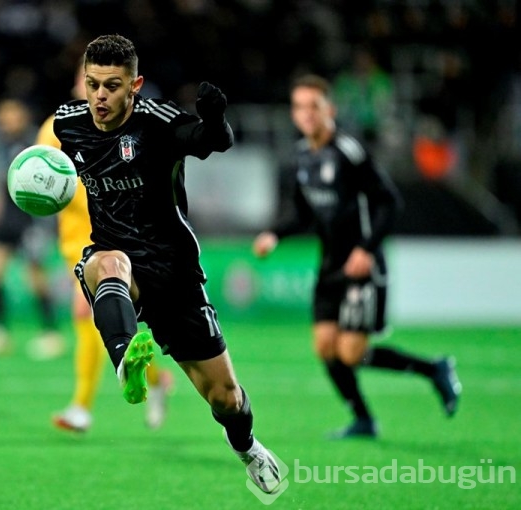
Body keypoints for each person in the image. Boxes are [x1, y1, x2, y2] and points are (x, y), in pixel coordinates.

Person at [52, 34, 280, 494]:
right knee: (105, 264)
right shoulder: (67, 124)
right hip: (119, 259)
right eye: (93, 84)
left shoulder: (156, 122)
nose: (100, 96)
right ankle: (125, 361)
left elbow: (210, 140)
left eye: (112, 86)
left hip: (174, 273)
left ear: (135, 85)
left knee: (226, 398)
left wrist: (214, 117)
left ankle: (248, 448)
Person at [252, 73, 462, 439]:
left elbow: (388, 201)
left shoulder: (349, 152)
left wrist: (367, 249)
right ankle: (363, 420)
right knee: (324, 346)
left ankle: (434, 370)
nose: (306, 114)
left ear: (329, 109)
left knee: (350, 353)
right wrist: (275, 234)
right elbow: (303, 214)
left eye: (313, 107)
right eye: (299, 107)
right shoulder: (302, 156)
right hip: (330, 265)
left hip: (362, 266)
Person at [38, 64, 173, 433]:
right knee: (100, 317)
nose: (96, 93)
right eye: (90, 83)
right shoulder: (56, 127)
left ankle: (81, 407)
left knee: (86, 313)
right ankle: (156, 377)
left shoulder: (126, 128)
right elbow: (39, 175)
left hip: (113, 235)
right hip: (74, 238)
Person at [0, 98, 65, 360]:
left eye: (11, 115)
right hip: (6, 218)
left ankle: (50, 333)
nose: (6, 121)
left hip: (29, 217)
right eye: (3, 116)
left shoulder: (36, 141)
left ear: (22, 117)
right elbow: (2, 178)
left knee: (35, 276)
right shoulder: (1, 145)